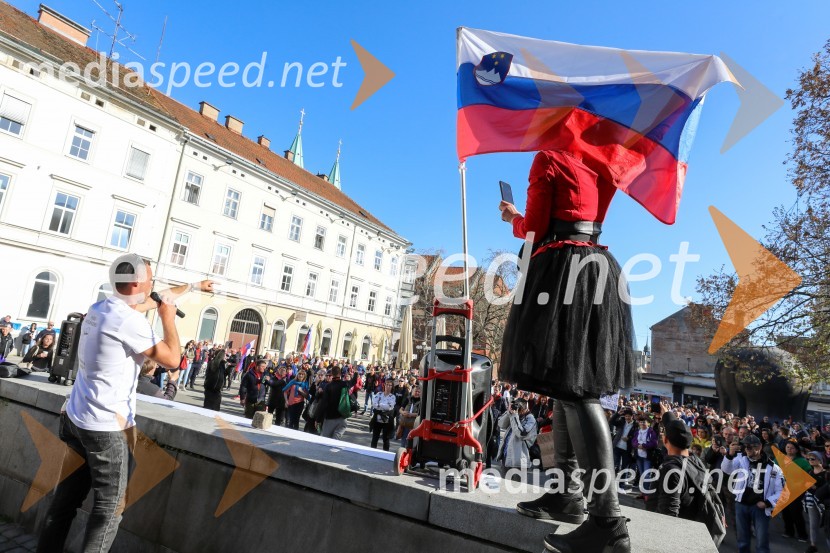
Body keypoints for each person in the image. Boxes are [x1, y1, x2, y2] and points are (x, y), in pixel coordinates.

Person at [501, 150, 638, 552]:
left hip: (563, 267)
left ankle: (608, 518)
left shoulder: (549, 156)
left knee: (579, 391)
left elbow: (535, 228)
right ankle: (567, 494)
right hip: (597, 263)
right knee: (568, 383)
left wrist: (512, 218)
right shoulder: (602, 160)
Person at [37, 254, 211, 553]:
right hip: (107, 429)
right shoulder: (129, 321)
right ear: (135, 283)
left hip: (77, 417)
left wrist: (193, 286)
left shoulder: (101, 307)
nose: (155, 284)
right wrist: (169, 319)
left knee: (65, 500)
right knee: (108, 511)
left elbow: (153, 300)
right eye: (151, 279)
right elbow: (172, 360)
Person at [654, 402, 725, 546]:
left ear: (665, 440)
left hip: (676, 540)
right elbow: (680, 432)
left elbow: (668, 516)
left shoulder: (672, 471)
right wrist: (667, 415)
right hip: (693, 534)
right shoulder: (695, 460)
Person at [721, 433, 784, 553]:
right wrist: (729, 455)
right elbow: (726, 469)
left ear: (759, 446)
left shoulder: (774, 468)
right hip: (741, 505)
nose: (747, 450)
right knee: (742, 539)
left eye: (750, 447)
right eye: (745, 447)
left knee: (762, 541)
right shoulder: (741, 460)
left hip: (760, 508)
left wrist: (767, 502)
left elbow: (781, 491)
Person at [497, 397, 538, 472]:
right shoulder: (515, 416)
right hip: (506, 457)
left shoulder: (531, 420)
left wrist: (514, 416)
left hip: (518, 461)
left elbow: (521, 433)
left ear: (523, 409)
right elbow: (501, 424)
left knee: (515, 484)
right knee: (503, 483)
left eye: (518, 408)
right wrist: (508, 412)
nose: (516, 410)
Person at [318, 366, 353, 440]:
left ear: (332, 374)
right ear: (340, 373)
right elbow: (354, 382)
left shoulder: (328, 386)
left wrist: (318, 419)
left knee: (325, 441)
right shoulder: (345, 384)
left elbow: (323, 403)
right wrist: (355, 373)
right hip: (342, 417)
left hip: (330, 417)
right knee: (335, 441)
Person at [803, 450, 826, 553]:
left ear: (819, 460)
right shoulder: (810, 472)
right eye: (809, 459)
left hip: (823, 502)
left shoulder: (826, 473)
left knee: (826, 524)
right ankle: (813, 545)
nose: (810, 460)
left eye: (813, 458)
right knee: (813, 524)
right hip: (811, 500)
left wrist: (816, 487)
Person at [370, 380, 397, 451]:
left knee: (386, 439)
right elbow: (374, 404)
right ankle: (372, 451)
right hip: (377, 419)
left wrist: (379, 405)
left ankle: (386, 453)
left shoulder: (392, 396)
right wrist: (383, 406)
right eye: (387, 384)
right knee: (375, 437)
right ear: (384, 385)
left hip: (387, 421)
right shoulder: (379, 394)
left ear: (392, 387)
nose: (388, 386)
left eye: (390, 385)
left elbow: (390, 407)